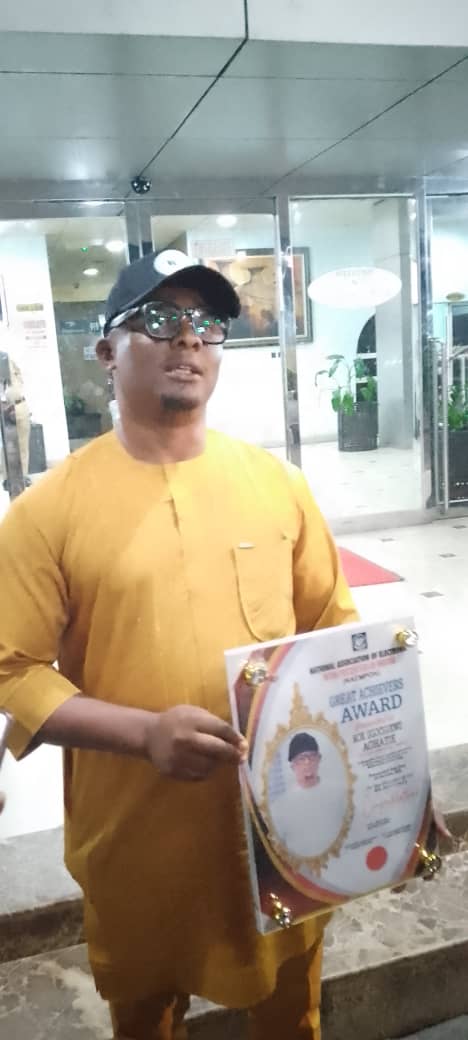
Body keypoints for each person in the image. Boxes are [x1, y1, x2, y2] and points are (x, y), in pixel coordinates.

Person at [0, 248, 357, 1040]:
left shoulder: (276, 484)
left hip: (278, 829)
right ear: (107, 351)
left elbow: (335, 632)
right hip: (138, 837)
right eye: (159, 319)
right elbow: (13, 669)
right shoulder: (47, 512)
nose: (188, 338)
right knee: (147, 1017)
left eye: (206, 322)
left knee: (292, 1015)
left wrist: (390, 790)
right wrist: (144, 734)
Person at [271, 733, 348, 861]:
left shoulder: (339, 793)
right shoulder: (279, 806)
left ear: (319, 760)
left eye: (312, 756)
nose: (308, 763)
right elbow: (279, 851)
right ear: (293, 766)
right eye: (302, 758)